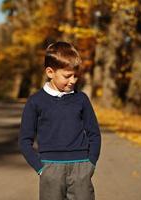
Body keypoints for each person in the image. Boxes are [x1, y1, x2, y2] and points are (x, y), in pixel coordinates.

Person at [19, 41, 101, 200]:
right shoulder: (35, 101)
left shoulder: (81, 99)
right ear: (50, 72)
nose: (73, 81)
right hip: (50, 169)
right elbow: (24, 140)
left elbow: (94, 133)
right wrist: (41, 168)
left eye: (76, 76)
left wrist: (91, 162)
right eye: (67, 76)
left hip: (81, 168)